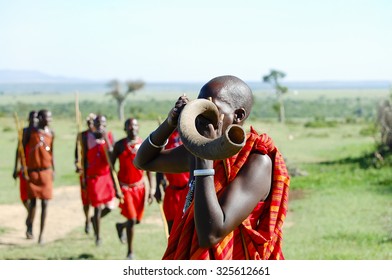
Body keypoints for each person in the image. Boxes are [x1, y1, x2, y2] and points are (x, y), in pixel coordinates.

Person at [134, 75, 290, 260]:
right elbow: (144, 161)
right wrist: (169, 124)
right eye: (199, 105)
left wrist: (204, 153)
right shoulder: (199, 152)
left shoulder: (257, 160)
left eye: (210, 107)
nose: (200, 114)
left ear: (238, 115)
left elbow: (211, 234)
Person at [111, 118, 154, 260]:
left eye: (135, 125)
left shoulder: (144, 145)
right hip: (124, 188)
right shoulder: (119, 146)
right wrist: (115, 187)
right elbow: (111, 168)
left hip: (140, 188)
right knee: (132, 219)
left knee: (137, 221)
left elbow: (149, 168)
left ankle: (120, 226)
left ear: (138, 127)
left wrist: (152, 189)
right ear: (125, 128)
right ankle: (130, 252)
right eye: (129, 126)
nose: (132, 128)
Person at [85, 114, 117, 246]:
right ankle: (98, 236)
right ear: (94, 124)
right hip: (94, 177)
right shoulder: (87, 137)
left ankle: (93, 220)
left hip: (106, 176)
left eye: (103, 123)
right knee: (97, 207)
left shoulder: (109, 136)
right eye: (98, 123)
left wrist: (105, 139)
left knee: (110, 207)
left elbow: (112, 153)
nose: (100, 125)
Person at [25, 109, 55, 244]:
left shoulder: (51, 133)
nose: (49, 120)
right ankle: (30, 224)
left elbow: (50, 151)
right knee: (32, 203)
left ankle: (41, 235)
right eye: (47, 117)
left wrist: (53, 169)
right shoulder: (30, 132)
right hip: (32, 172)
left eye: (50, 117)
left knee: (45, 203)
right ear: (41, 118)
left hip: (46, 172)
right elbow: (21, 149)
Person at [154, 129, 190, 234]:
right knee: (172, 230)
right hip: (172, 191)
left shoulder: (190, 134)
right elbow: (159, 164)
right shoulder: (165, 138)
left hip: (189, 191)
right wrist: (157, 187)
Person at [74, 113, 96, 234]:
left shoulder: (99, 136)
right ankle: (87, 219)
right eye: (88, 122)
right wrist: (77, 164)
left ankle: (94, 220)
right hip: (85, 171)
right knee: (86, 199)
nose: (90, 124)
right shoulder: (82, 136)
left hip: (96, 172)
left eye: (92, 122)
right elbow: (76, 154)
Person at [12, 111, 38, 212]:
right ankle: (30, 213)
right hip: (25, 169)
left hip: (36, 170)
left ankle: (31, 217)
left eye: (36, 118)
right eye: (32, 118)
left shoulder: (40, 133)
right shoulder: (24, 132)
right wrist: (15, 168)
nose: (34, 121)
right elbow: (18, 151)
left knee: (33, 197)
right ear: (28, 119)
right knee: (24, 197)